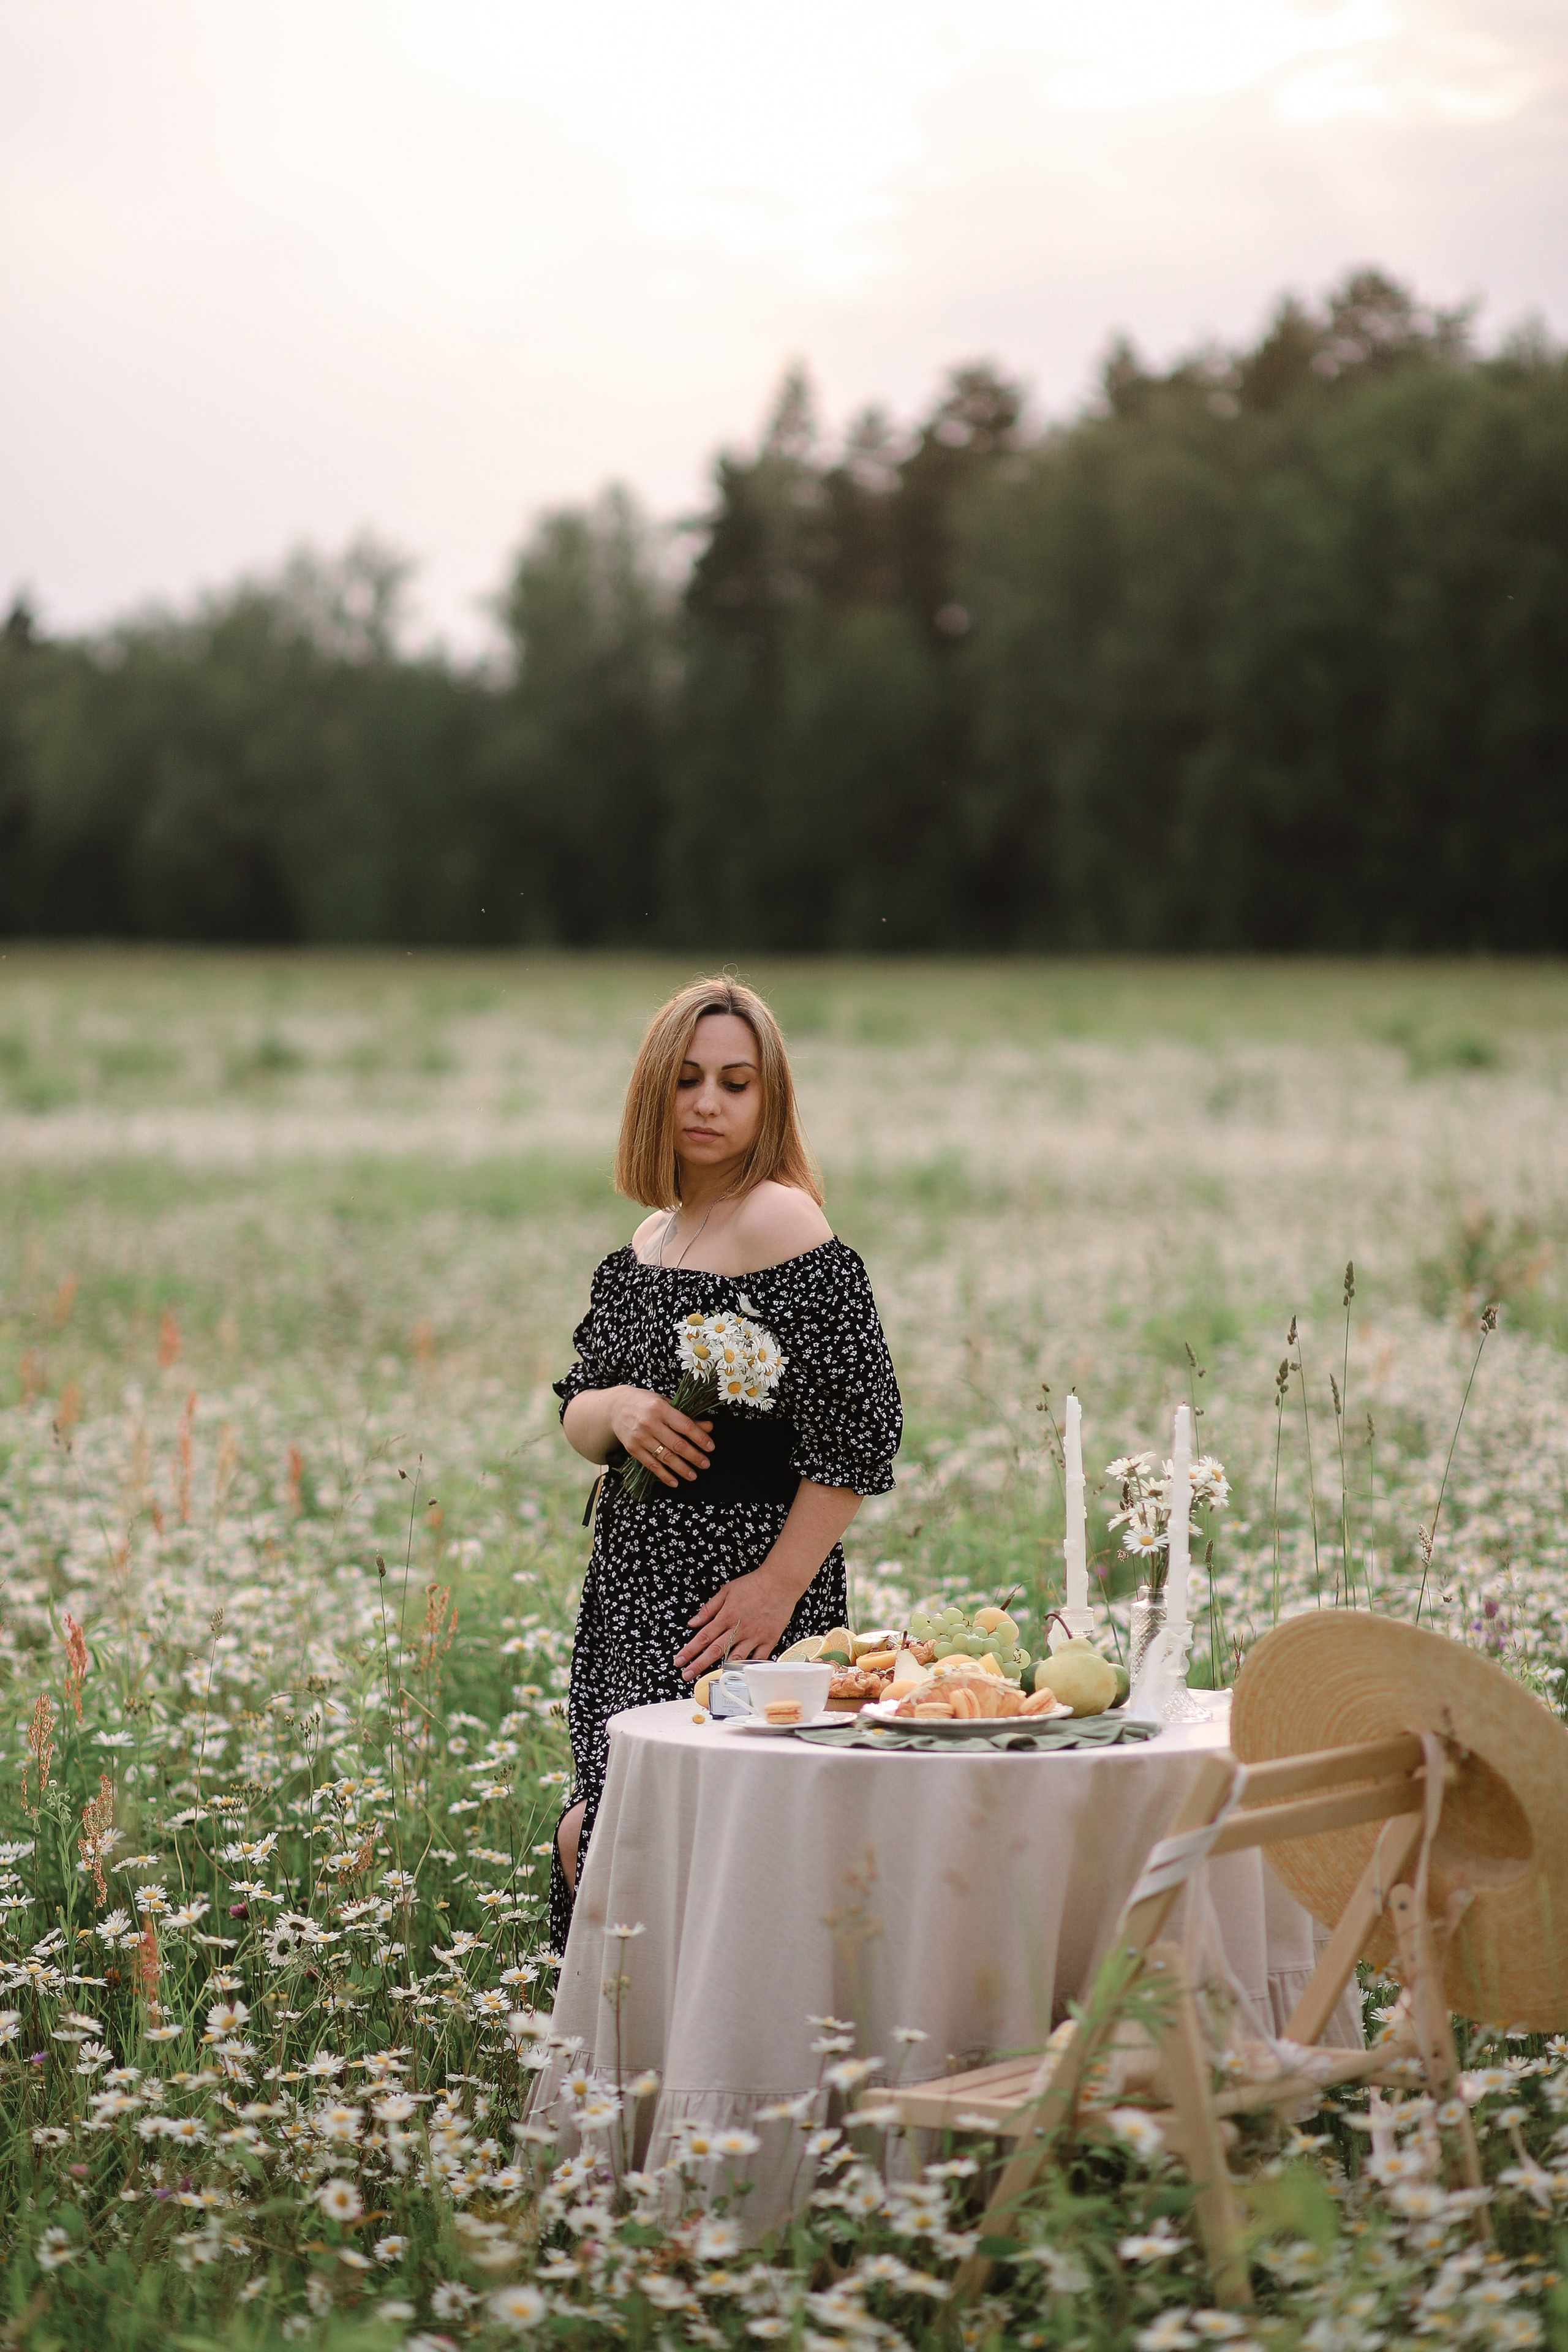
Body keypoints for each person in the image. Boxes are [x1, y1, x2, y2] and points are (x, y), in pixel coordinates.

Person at [550, 975, 902, 1948]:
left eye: (737, 1083)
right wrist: (615, 1408)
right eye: (689, 1079)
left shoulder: (783, 1223)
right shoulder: (650, 1241)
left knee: (688, 1835)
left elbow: (861, 1428)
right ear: (654, 1093)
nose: (708, 1103)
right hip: (629, 1584)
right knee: (611, 1817)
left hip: (738, 1591)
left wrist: (779, 1589)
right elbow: (576, 1409)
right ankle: (618, 2064)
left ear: (769, 1099)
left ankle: (719, 2064)